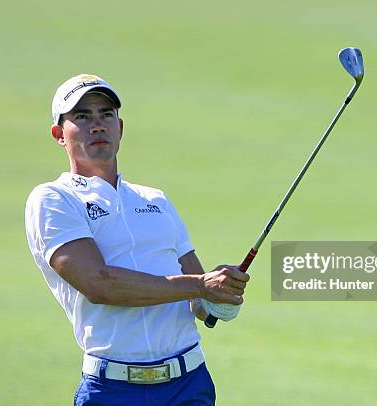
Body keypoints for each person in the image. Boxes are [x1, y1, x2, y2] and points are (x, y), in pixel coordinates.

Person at [24, 74, 250, 405]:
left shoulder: (155, 199)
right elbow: (99, 285)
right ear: (59, 134)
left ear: (120, 128)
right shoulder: (54, 199)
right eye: (82, 116)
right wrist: (201, 285)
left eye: (106, 114)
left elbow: (199, 302)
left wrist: (222, 293)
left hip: (188, 384)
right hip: (113, 389)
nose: (97, 125)